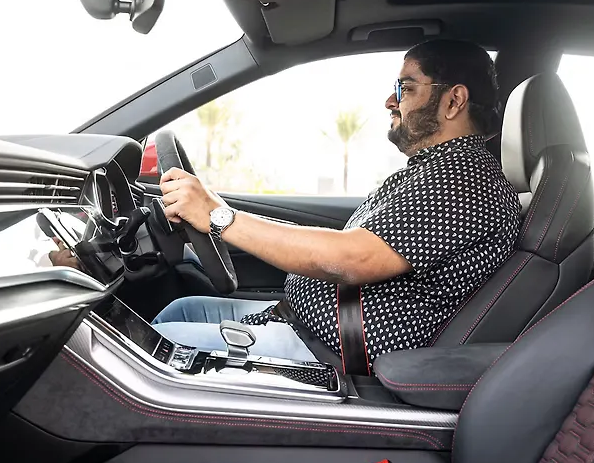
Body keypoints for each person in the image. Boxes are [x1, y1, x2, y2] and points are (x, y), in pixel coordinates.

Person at [152, 39, 521, 370]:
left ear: (453, 101)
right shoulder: (437, 169)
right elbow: (351, 244)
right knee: (176, 312)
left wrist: (219, 217)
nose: (390, 101)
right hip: (297, 325)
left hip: (326, 355)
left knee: (151, 351)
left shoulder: (464, 181)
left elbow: (352, 258)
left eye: (405, 88)